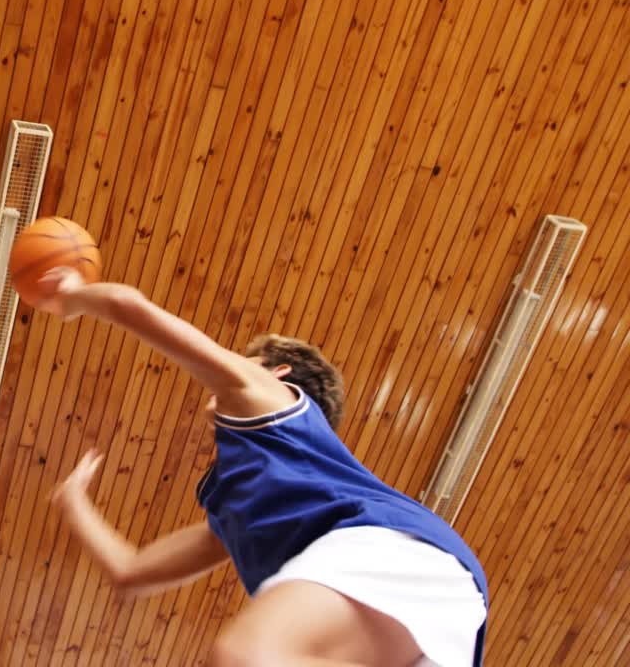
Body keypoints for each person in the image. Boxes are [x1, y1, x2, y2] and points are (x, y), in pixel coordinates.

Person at [37, 267, 488, 666]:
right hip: (438, 606)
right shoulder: (239, 510)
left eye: (245, 362)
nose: (234, 368)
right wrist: (72, 501)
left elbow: (124, 303)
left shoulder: (276, 405)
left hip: (401, 556)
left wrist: (74, 294)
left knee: (246, 656)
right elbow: (130, 573)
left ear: (279, 375)